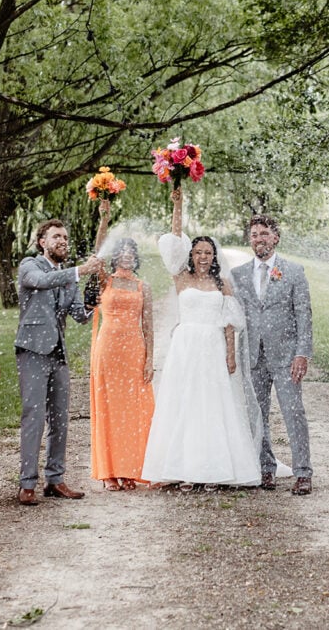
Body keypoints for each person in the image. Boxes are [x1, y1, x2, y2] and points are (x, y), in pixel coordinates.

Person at [141, 187, 261, 491]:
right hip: (186, 346)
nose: (203, 257)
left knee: (212, 405)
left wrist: (230, 353)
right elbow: (174, 240)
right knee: (184, 402)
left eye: (208, 253)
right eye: (198, 252)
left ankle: (213, 469)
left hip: (213, 346)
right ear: (191, 256)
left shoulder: (222, 283)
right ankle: (181, 467)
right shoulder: (181, 277)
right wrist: (177, 204)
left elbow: (230, 321)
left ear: (214, 256)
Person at [15, 216, 103, 505]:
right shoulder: (30, 265)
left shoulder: (68, 276)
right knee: (34, 416)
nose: (63, 241)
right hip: (32, 351)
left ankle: (55, 479)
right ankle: (27, 484)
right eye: (56, 237)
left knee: (60, 419)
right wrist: (79, 271)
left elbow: (78, 315)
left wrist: (91, 303)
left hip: (58, 354)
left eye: (65, 237)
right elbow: (40, 282)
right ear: (43, 242)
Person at [231, 211, 314, 495]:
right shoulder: (238, 275)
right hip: (252, 356)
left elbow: (304, 314)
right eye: (254, 235)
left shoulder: (294, 271)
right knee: (258, 414)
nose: (259, 239)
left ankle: (303, 472)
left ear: (275, 238)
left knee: (294, 412)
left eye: (264, 234)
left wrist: (302, 353)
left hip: (286, 356)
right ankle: (266, 468)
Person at [89, 200, 156, 491]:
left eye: (131, 252)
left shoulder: (143, 286)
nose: (127, 255)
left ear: (135, 257)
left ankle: (130, 469)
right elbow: (97, 253)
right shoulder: (105, 279)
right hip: (108, 349)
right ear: (115, 255)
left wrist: (150, 359)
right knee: (109, 407)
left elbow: (148, 326)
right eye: (122, 251)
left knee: (133, 410)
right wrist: (104, 219)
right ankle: (109, 472)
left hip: (134, 351)